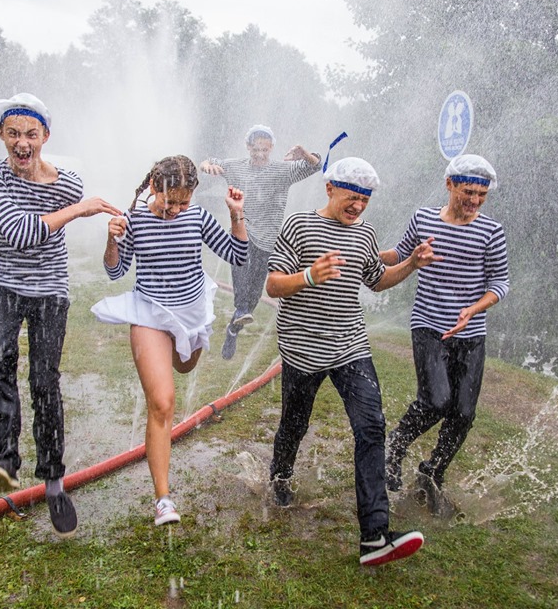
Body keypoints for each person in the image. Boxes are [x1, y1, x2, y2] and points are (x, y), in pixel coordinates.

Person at [265, 156, 440, 566]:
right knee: (295, 423)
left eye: (365, 199)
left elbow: (376, 279)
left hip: (350, 347)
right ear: (330, 189)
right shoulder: (299, 226)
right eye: (352, 197)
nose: (358, 206)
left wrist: (411, 264)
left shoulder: (364, 234)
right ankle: (280, 475)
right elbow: (274, 285)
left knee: (372, 427)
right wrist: (309, 275)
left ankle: (375, 536)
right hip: (303, 349)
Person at [0, 92, 122, 538]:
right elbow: (18, 233)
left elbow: (58, 214)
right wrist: (78, 211)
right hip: (3, 281)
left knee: (44, 380)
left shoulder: (68, 182)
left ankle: (54, 482)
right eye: (13, 134)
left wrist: (111, 223)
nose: (22, 143)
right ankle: (4, 459)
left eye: (30, 135)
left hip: (50, 290)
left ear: (45, 137)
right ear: (1, 136)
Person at [92, 155, 248, 526]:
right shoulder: (134, 221)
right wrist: (112, 239)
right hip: (149, 312)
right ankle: (163, 499)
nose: (176, 210)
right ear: (152, 189)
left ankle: (185, 349)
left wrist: (236, 216)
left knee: (185, 364)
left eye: (183, 202)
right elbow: (115, 272)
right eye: (169, 202)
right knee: (162, 403)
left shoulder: (197, 217)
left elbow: (238, 255)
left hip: (192, 312)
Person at [381, 154, 509, 515]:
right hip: (429, 326)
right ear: (449, 184)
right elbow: (399, 255)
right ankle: (396, 445)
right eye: (468, 191)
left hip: (471, 332)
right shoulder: (423, 219)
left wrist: (473, 309)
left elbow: (500, 282)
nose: (474, 201)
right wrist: (363, 252)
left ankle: (432, 473)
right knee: (436, 400)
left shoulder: (491, 231)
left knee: (464, 413)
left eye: (482, 195)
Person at [199, 125, 321, 360]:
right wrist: (207, 166)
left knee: (253, 297)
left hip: (268, 239)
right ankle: (240, 309)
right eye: (256, 149)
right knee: (240, 271)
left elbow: (315, 166)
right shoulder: (236, 166)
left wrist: (304, 153)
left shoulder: (282, 171)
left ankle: (234, 328)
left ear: (271, 148)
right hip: (242, 231)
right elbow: (209, 162)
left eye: (265, 150)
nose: (260, 154)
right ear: (248, 147)